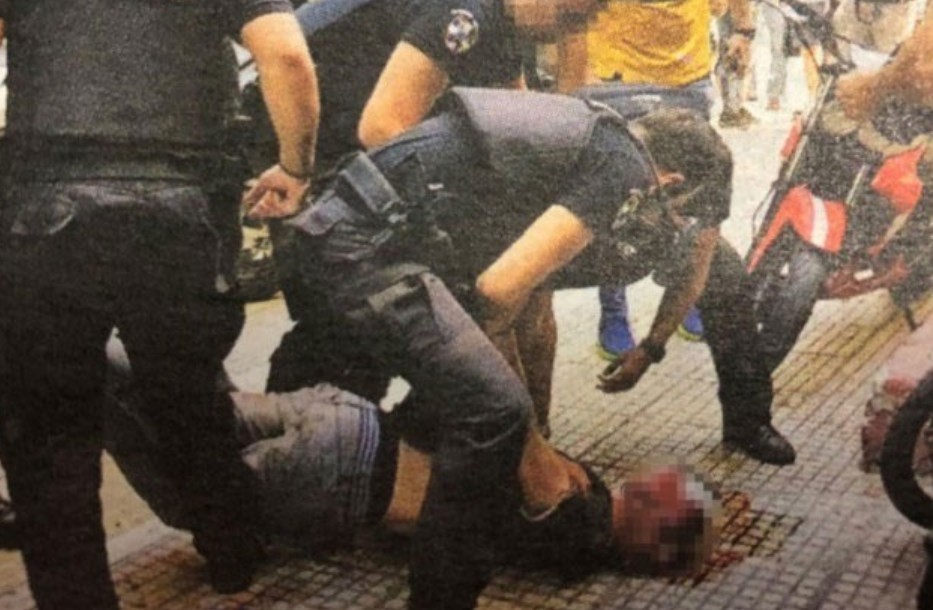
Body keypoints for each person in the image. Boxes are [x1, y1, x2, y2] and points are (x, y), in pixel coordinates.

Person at [250, 88, 794, 607]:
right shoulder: (622, 168)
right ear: (669, 179)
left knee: (483, 404)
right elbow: (502, 298)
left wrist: (538, 420)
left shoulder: (602, 138)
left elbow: (515, 308)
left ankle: (245, 512)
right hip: (361, 279)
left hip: (344, 285)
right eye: (677, 216)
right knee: (497, 412)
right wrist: (530, 427)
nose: (669, 230)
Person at [0, 1, 319, 607]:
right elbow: (286, 56)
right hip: (181, 210)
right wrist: (295, 167)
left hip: (43, 208)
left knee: (50, 437)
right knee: (188, 394)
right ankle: (231, 550)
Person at [260, 0, 604, 431]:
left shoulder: (505, 23)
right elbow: (381, 128)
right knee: (350, 338)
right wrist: (459, 212)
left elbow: (513, 121)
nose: (573, 30)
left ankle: (521, 447)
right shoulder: (467, 15)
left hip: (360, 159)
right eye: (574, 15)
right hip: (329, 157)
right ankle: (287, 440)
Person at [103, 367, 721, 586]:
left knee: (195, 418)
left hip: (349, 422)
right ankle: (82, 373)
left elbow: (505, 421)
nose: (658, 477)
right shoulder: (581, 516)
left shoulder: (581, 517)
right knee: (191, 496)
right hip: (346, 471)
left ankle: (91, 357)